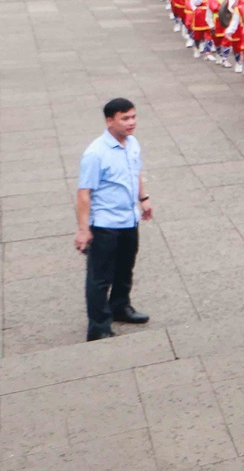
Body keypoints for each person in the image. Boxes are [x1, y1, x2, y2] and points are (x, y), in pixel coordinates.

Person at [75, 98, 152, 342]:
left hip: (129, 218)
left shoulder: (133, 144)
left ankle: (120, 306)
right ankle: (98, 326)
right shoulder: (95, 153)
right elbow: (83, 193)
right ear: (110, 121)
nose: (131, 123)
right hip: (105, 223)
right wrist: (83, 229)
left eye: (133, 117)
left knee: (124, 268)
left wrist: (144, 198)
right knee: (100, 277)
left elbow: (135, 171)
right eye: (125, 118)